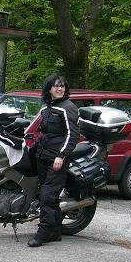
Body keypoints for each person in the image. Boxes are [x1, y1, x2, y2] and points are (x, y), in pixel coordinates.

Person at [28, 73, 79, 247]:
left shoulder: (68, 107)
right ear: (49, 88)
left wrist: (61, 156)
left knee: (47, 196)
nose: (59, 89)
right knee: (48, 194)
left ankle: (44, 232)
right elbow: (43, 133)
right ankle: (56, 231)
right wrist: (32, 148)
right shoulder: (46, 107)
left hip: (56, 159)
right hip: (43, 156)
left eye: (62, 86)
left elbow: (73, 135)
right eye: (56, 86)